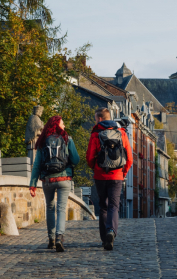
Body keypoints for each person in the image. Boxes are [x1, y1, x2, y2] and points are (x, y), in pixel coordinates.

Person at [29, 116, 80, 252]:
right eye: (62, 123)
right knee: (61, 209)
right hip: (64, 179)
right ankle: (59, 237)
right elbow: (76, 160)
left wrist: (32, 184)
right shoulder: (67, 138)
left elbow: (37, 165)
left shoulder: (43, 141)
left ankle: (51, 239)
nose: (64, 125)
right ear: (58, 124)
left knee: (50, 208)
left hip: (48, 180)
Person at [86, 107, 133, 250]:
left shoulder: (95, 134)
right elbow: (129, 158)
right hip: (117, 175)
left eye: (96, 118)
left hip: (100, 176)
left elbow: (89, 157)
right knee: (114, 206)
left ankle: (104, 237)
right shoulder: (121, 133)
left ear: (100, 119)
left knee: (103, 206)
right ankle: (111, 231)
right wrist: (123, 173)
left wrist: (95, 167)